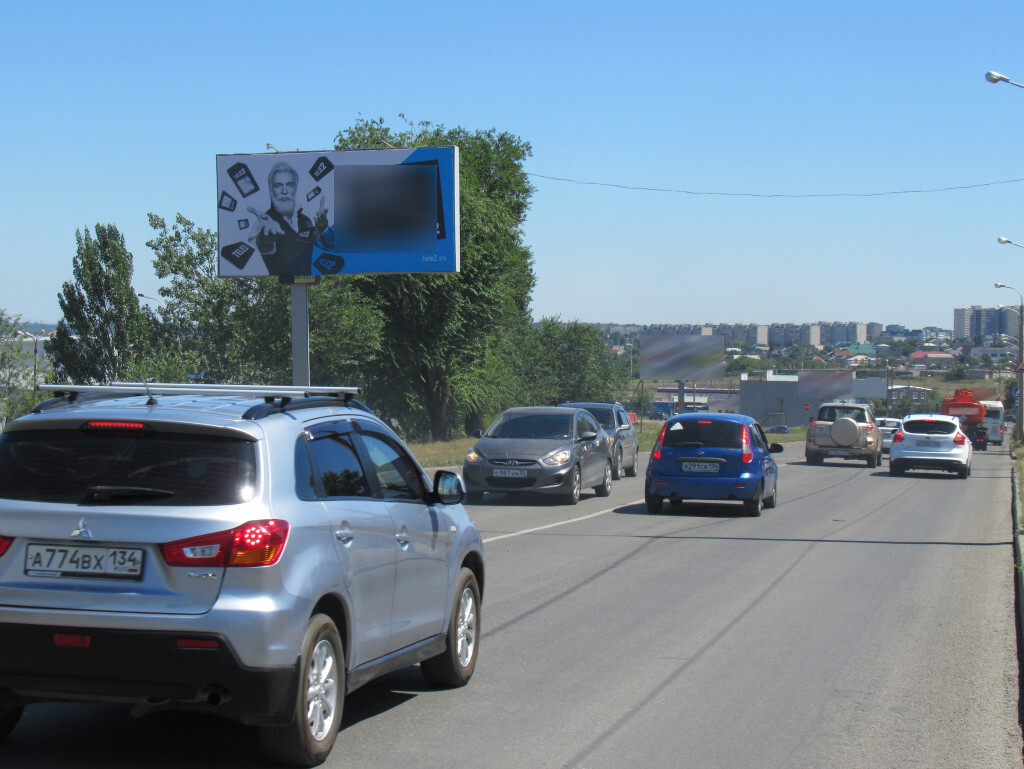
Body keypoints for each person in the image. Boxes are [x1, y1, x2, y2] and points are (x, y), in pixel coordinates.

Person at [247, 162, 329, 275]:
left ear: (295, 188)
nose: (284, 191)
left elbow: (320, 247)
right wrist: (267, 235)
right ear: (270, 189)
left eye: (289, 184)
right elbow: (265, 248)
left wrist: (321, 226)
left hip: (310, 281)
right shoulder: (264, 223)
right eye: (278, 185)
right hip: (280, 285)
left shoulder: (304, 220)